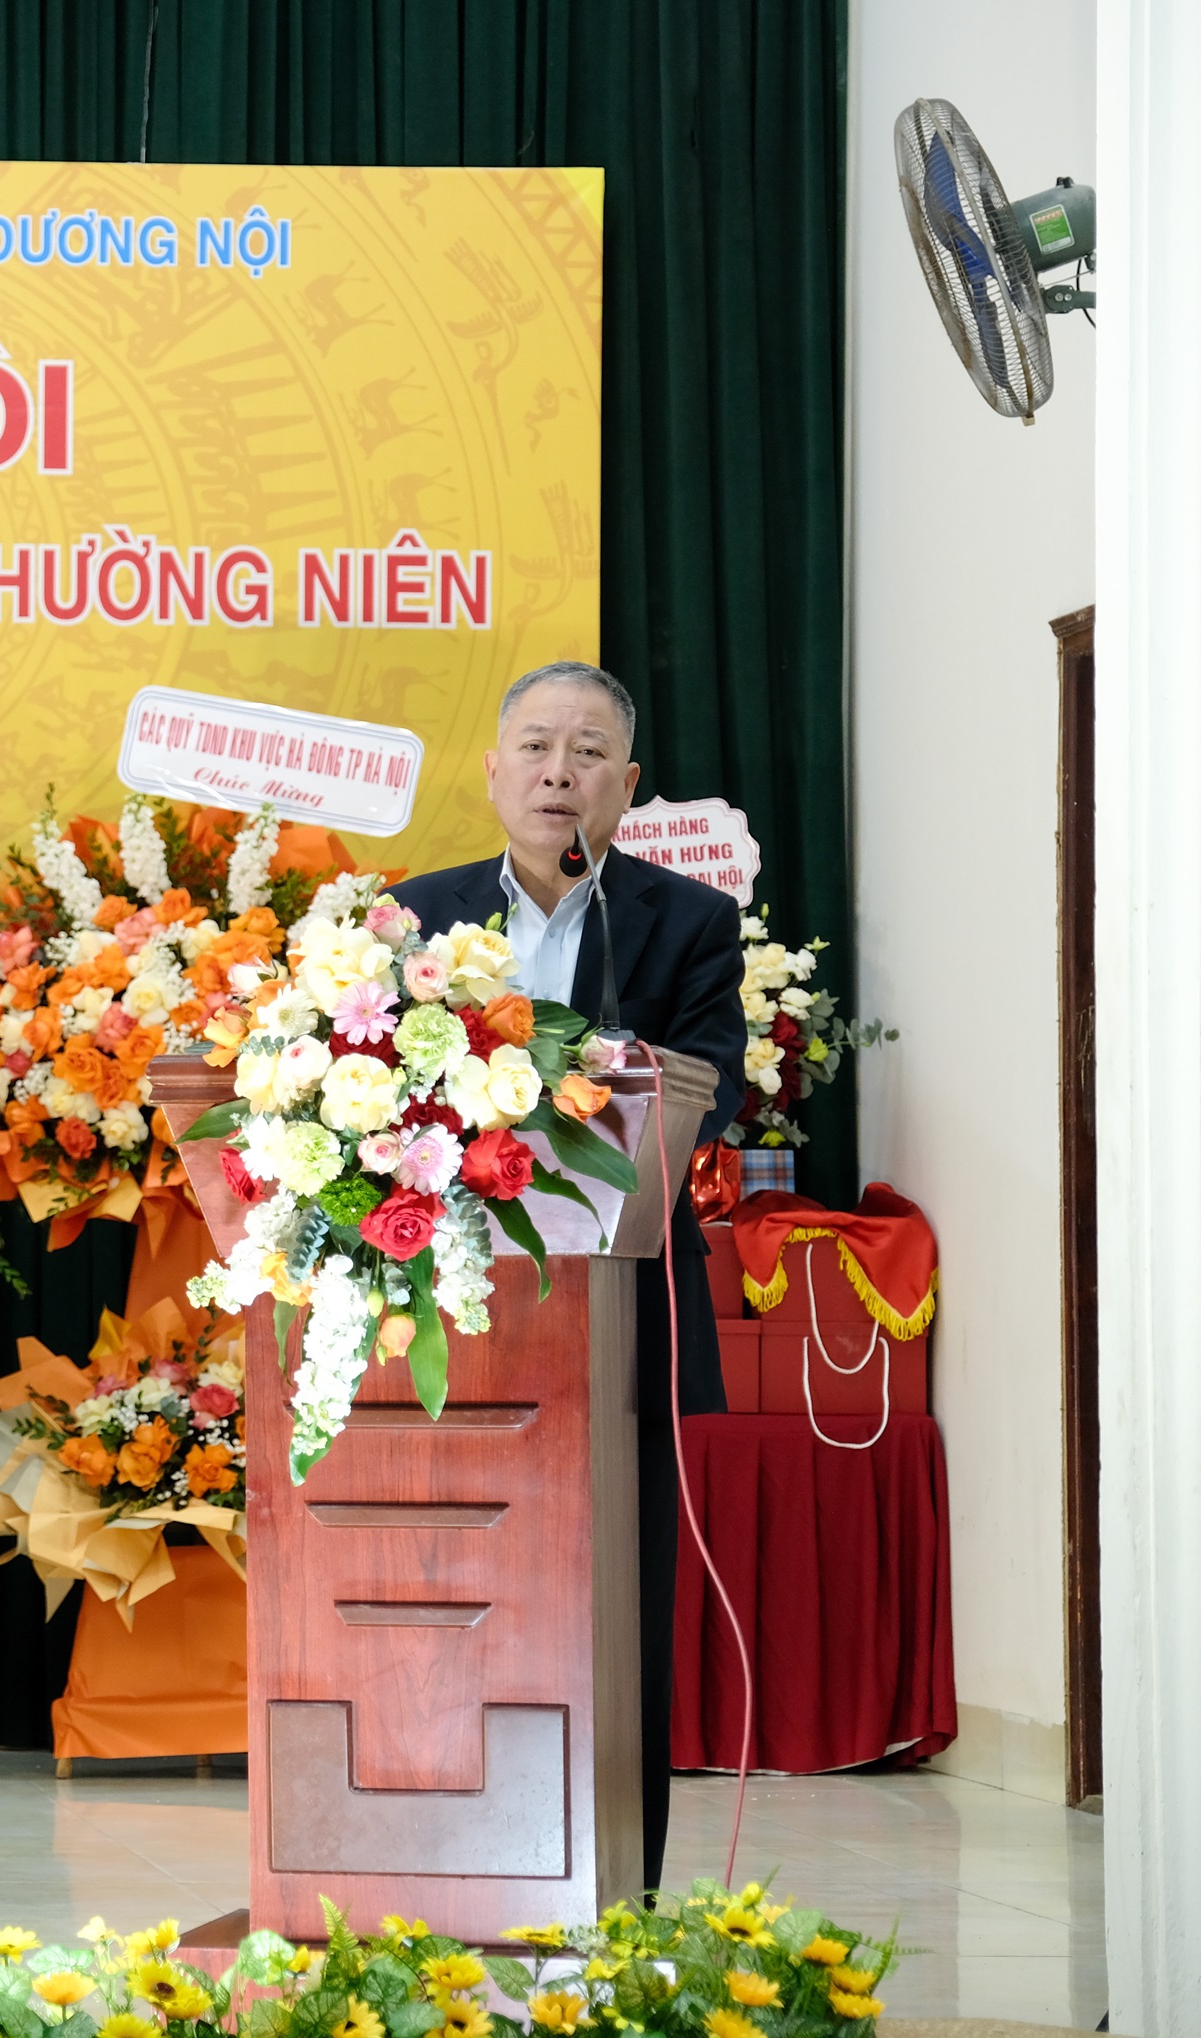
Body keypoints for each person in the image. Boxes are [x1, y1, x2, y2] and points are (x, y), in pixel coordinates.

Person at [388, 658, 745, 1896]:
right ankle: (440, 1872)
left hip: (625, 1304)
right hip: (451, 1299)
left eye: (588, 752)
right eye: (536, 747)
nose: (559, 772)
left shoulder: (687, 923)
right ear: (493, 771)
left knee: (616, 1602)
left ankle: (617, 1886)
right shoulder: (415, 916)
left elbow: (708, 1089)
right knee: (448, 1590)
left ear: (626, 785)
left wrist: (578, 1084)